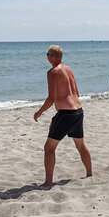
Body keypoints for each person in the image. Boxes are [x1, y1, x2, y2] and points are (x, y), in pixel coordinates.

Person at [34, 45, 92, 187]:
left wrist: (39, 112)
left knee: (49, 148)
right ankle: (89, 173)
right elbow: (76, 93)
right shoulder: (68, 69)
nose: (47, 57)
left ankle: (48, 182)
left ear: (52, 56)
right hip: (78, 111)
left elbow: (51, 98)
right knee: (80, 145)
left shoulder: (53, 72)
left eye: (47, 54)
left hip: (66, 114)